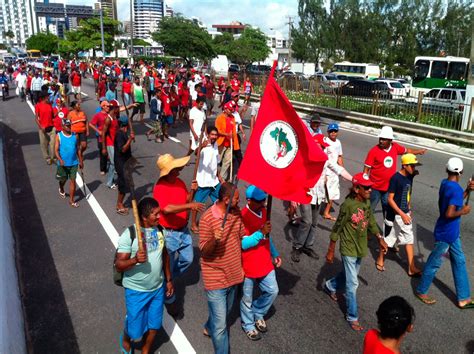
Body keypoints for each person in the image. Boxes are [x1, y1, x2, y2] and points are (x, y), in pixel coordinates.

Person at [325, 172, 388, 331]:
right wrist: (331, 250)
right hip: (348, 247)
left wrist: (379, 237)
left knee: (348, 275)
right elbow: (337, 227)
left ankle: (330, 286)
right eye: (366, 188)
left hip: (360, 247)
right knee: (353, 283)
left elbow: (371, 221)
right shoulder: (348, 205)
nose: (370, 190)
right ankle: (352, 316)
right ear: (356, 188)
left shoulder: (366, 203)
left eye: (370, 187)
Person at [115, 197, 174, 354]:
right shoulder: (130, 234)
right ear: (144, 217)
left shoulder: (160, 230)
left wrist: (168, 280)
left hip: (157, 288)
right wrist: (135, 260)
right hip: (136, 290)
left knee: (155, 324)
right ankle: (126, 338)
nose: (159, 217)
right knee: (135, 331)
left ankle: (145, 350)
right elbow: (119, 265)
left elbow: (165, 256)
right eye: (155, 214)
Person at [415, 157, 474, 308]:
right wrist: (463, 211)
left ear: (446, 169)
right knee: (434, 263)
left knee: (459, 261)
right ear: (461, 171)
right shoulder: (455, 189)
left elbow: (456, 199)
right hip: (446, 235)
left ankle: (464, 298)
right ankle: (421, 290)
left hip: (452, 233)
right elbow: (449, 213)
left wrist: (467, 190)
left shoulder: (445, 183)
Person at [153, 154, 205, 313]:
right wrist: (191, 205)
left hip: (183, 229)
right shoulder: (160, 187)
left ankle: (167, 280)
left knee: (188, 259)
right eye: (175, 169)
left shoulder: (180, 182)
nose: (178, 171)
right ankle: (167, 294)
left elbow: (185, 199)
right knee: (169, 263)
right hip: (169, 233)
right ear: (168, 171)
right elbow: (166, 209)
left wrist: (192, 192)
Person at [199, 182, 245, 354]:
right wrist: (214, 240)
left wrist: (261, 234)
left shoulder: (236, 213)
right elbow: (204, 252)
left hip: (234, 276)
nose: (239, 202)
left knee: (223, 314)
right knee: (221, 327)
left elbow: (242, 237)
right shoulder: (207, 219)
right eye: (237, 199)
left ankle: (208, 327)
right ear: (226, 199)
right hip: (215, 279)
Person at [240, 185, 280, 341]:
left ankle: (258, 312)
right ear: (249, 201)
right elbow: (243, 244)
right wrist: (260, 233)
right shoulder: (242, 216)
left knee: (272, 290)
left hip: (264, 259)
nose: (263, 203)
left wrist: (274, 253)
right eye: (259, 201)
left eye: (264, 199)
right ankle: (248, 324)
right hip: (248, 262)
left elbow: (267, 238)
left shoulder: (264, 211)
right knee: (246, 298)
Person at [376, 153, 423, 276]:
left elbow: (408, 192)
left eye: (415, 166)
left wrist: (408, 206)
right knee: (387, 239)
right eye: (412, 166)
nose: (414, 168)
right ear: (404, 165)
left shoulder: (410, 176)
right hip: (394, 215)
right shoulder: (395, 178)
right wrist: (402, 214)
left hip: (405, 213)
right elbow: (390, 199)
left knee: (409, 239)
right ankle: (380, 259)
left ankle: (411, 267)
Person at [363, 126, 426, 217]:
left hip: (388, 188)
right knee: (369, 211)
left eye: (384, 139)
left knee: (388, 211)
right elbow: (366, 169)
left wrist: (418, 151)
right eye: (380, 138)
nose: (381, 141)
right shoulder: (373, 151)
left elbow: (407, 151)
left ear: (390, 140)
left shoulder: (395, 147)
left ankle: (386, 230)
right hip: (375, 188)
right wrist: (365, 185)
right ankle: (364, 228)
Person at [190, 126, 223, 233]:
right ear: (208, 134)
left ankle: (218, 221)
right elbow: (196, 153)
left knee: (221, 201)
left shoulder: (216, 145)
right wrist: (201, 147)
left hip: (214, 181)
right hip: (203, 182)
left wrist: (219, 175)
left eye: (215, 135)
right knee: (197, 204)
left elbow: (215, 162)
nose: (214, 136)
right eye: (212, 134)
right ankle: (193, 224)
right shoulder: (203, 144)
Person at [54, 118, 84, 208]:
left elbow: (78, 148)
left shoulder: (75, 136)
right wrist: (60, 159)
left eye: (69, 125)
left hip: (74, 163)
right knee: (63, 179)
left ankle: (71, 200)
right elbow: (56, 150)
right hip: (62, 164)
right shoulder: (59, 136)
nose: (69, 127)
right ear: (62, 126)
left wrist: (81, 160)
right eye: (67, 125)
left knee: (73, 181)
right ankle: (61, 188)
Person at [322, 123, 344, 221]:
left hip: (334, 172)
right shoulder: (325, 142)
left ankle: (326, 212)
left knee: (332, 193)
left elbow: (339, 157)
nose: (333, 133)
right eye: (331, 131)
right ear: (328, 132)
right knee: (323, 193)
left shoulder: (338, 143)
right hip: (326, 171)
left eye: (335, 131)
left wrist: (342, 170)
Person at [114, 116, 135, 215]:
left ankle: (120, 203)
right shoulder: (119, 135)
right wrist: (130, 139)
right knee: (123, 185)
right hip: (121, 163)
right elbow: (123, 149)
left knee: (125, 183)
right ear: (125, 125)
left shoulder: (123, 133)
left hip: (125, 162)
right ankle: (119, 205)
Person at [215, 101, 239, 182]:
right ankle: (212, 176)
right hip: (220, 143)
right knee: (216, 161)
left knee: (227, 162)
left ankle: (222, 179)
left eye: (232, 110)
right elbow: (217, 130)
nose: (231, 111)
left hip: (230, 144)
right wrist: (226, 134)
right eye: (230, 109)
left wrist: (235, 142)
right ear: (225, 109)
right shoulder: (220, 118)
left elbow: (234, 131)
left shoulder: (233, 118)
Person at [89, 100, 110, 175]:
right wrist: (98, 131)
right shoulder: (98, 115)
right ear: (103, 107)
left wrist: (129, 106)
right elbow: (91, 124)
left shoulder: (110, 114)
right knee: (103, 153)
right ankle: (103, 168)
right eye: (107, 106)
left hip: (110, 137)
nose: (109, 107)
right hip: (102, 137)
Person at [35, 92, 56, 165]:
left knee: (53, 144)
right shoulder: (38, 106)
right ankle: (47, 158)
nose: (49, 98)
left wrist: (59, 112)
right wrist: (41, 127)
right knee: (44, 144)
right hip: (43, 129)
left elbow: (53, 116)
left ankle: (53, 157)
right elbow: (36, 118)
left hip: (52, 127)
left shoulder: (50, 105)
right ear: (43, 98)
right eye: (48, 97)